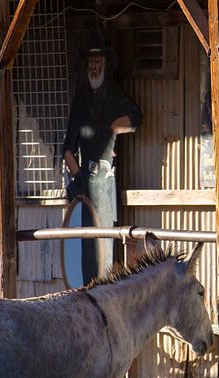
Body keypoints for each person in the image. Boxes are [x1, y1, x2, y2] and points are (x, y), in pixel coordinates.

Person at [63, 27, 142, 284]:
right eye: (91, 62)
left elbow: (136, 117)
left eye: (98, 61)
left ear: (105, 64)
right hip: (85, 179)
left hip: (107, 177)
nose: (94, 67)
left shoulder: (114, 91)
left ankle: (105, 289)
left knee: (107, 239)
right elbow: (67, 148)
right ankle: (86, 290)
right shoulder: (80, 97)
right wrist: (78, 178)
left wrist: (115, 129)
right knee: (86, 241)